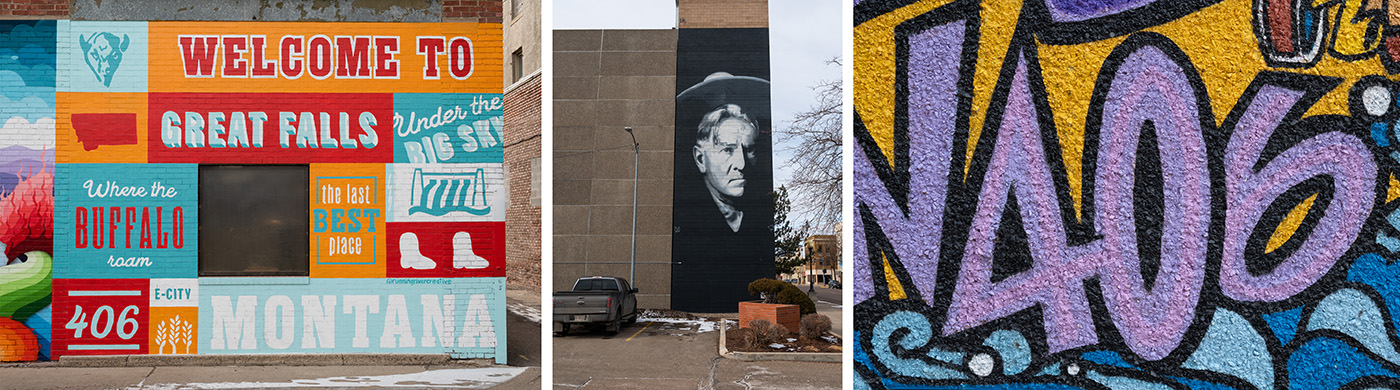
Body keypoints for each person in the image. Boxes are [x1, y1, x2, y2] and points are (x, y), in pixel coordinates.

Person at [692, 103, 759, 233]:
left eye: (749, 149)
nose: (742, 165)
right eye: (728, 149)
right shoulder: (688, 218)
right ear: (701, 159)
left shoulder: (760, 216)